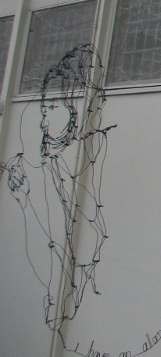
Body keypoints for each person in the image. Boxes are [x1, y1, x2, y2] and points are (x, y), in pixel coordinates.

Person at [6, 44, 112, 329]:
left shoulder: (83, 159)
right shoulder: (32, 170)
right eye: (44, 110)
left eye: (53, 108)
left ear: (76, 109)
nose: (44, 122)